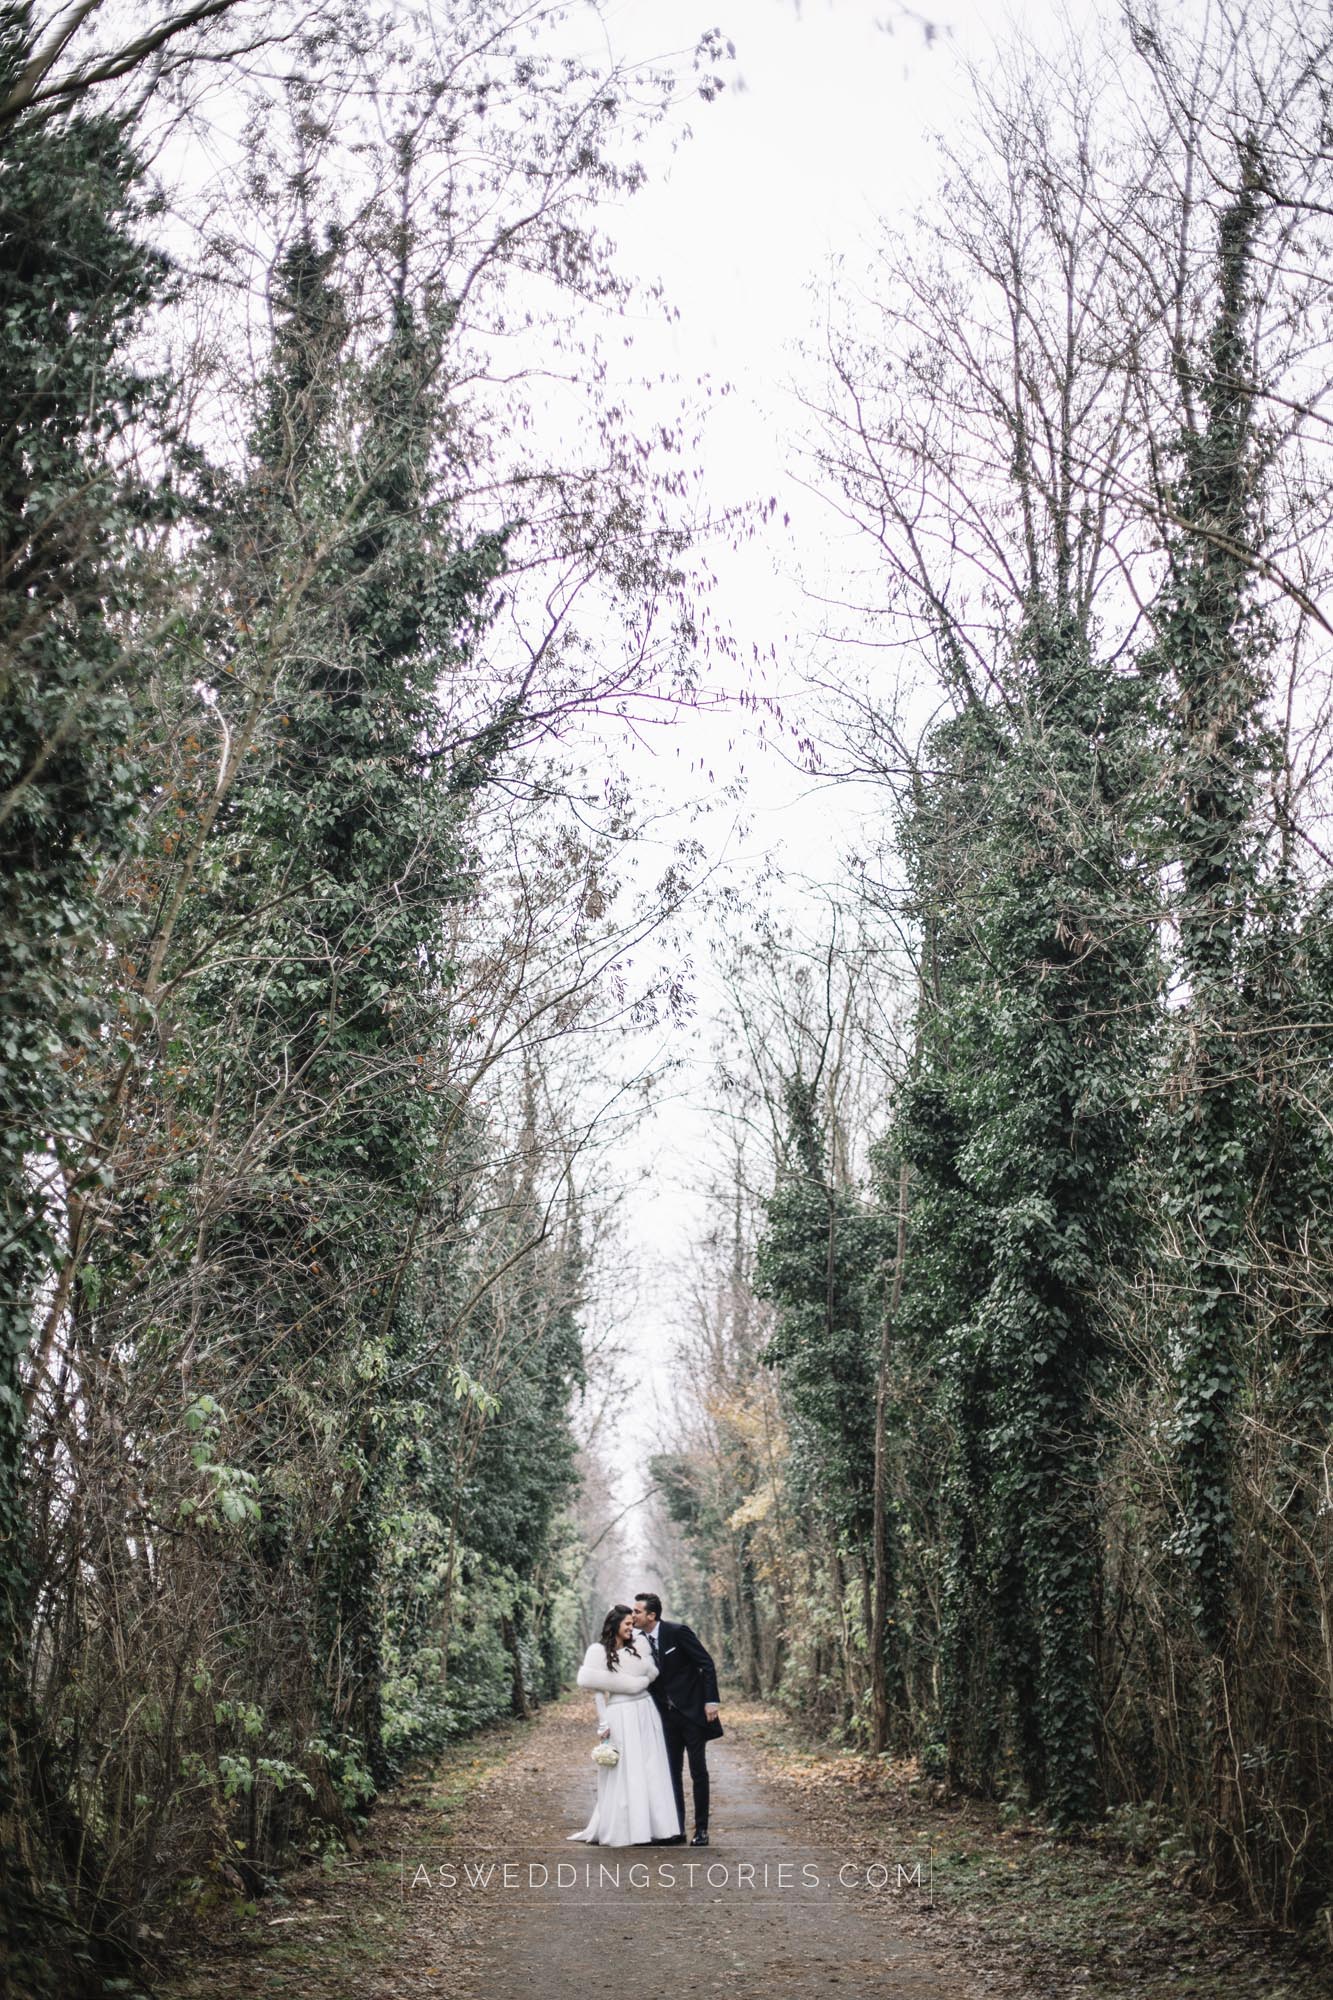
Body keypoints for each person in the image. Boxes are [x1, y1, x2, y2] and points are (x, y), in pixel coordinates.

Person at [569, 1603, 682, 1846]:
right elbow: (598, 1691)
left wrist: (639, 1683)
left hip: (645, 1710)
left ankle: (657, 1828)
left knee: (650, 1767)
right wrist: (603, 1722)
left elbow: (652, 1673)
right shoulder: (597, 1652)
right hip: (619, 1712)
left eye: (633, 1623)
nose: (632, 1628)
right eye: (628, 1624)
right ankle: (627, 1828)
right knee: (625, 1770)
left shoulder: (639, 1646)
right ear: (615, 1625)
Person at [632, 1591, 720, 1847]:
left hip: (692, 1714)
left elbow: (706, 1663)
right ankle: (676, 1829)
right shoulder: (637, 1641)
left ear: (652, 1615)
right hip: (664, 1718)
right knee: (670, 1774)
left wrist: (711, 1700)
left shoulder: (678, 1632)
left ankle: (701, 1830)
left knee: (698, 1771)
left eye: (638, 1611)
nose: (633, 1615)